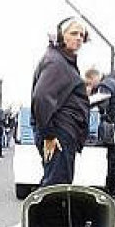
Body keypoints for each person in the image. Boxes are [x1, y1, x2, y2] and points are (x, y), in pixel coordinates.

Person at [31, 18, 90, 188]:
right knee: (56, 187)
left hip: (62, 132)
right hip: (58, 134)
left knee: (56, 184)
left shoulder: (63, 61)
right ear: (60, 36)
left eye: (81, 34)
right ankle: (51, 215)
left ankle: (52, 215)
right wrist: (49, 135)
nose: (78, 37)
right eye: (73, 33)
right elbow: (42, 97)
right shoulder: (56, 62)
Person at [84, 68, 115, 200]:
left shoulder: (104, 86)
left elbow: (102, 103)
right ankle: (112, 186)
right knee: (113, 154)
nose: (89, 85)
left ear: (94, 78)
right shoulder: (110, 82)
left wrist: (84, 101)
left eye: (89, 83)